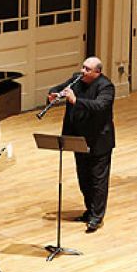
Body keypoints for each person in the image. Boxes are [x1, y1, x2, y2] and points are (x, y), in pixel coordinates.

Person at [48, 56, 115, 233]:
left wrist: (75, 100)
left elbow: (99, 106)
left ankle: (96, 217)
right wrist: (53, 93)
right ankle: (90, 210)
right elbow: (61, 87)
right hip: (78, 138)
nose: (82, 71)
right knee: (84, 177)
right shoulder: (77, 79)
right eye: (83, 68)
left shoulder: (106, 87)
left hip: (98, 139)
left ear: (97, 72)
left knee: (98, 181)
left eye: (87, 69)